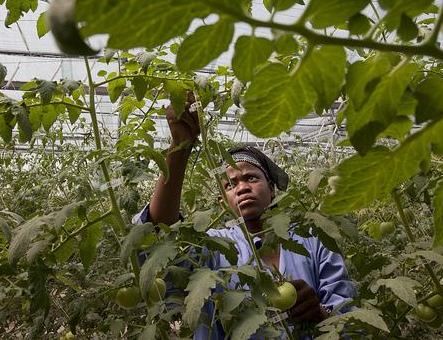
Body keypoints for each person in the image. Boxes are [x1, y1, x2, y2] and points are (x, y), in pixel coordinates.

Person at [133, 94, 356, 338]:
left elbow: (348, 322)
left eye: (251, 177)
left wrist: (320, 313)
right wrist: (180, 146)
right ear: (222, 203)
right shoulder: (214, 247)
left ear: (271, 189)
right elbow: (159, 238)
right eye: (230, 184)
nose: (242, 187)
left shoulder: (313, 241)